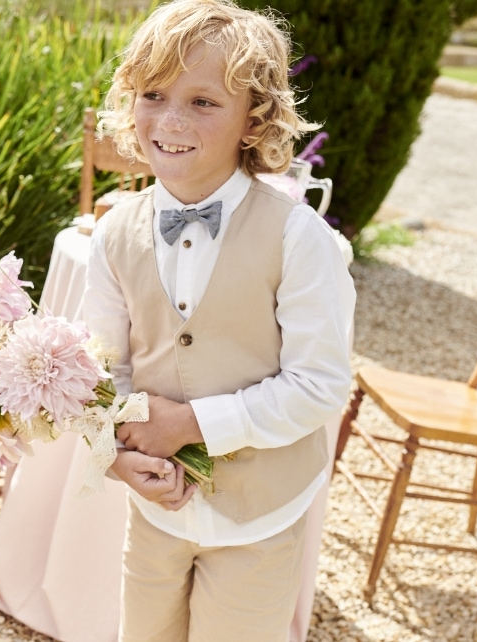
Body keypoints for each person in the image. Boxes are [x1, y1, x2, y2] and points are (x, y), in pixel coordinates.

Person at [82, 1, 355, 640]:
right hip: (156, 516)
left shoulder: (298, 237)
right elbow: (102, 372)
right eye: (153, 94)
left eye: (204, 102)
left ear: (253, 121)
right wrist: (114, 453)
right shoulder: (112, 233)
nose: (171, 120)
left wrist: (193, 423)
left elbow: (319, 385)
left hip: (258, 521)